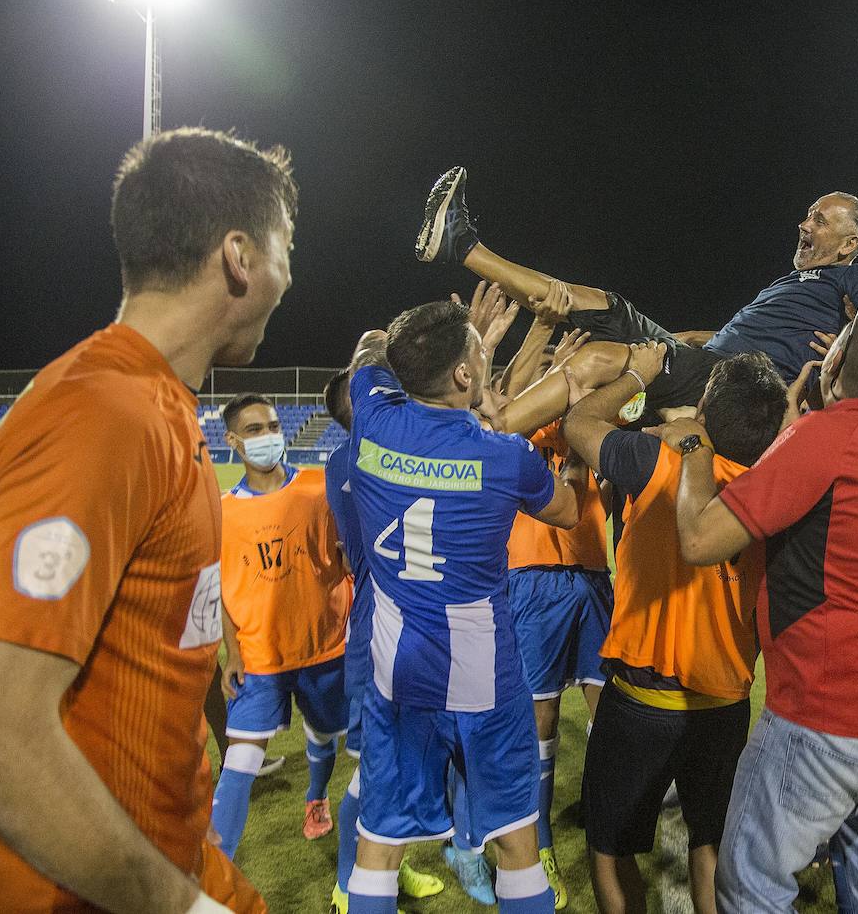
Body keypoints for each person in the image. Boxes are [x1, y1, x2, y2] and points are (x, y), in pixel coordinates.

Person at [0, 126, 293, 913]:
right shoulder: (104, 413)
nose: (288, 275)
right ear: (238, 255)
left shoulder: (152, 406)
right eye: (283, 248)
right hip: (64, 888)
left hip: (148, 851)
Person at [663, 302, 858, 913]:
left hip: (828, 716)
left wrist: (695, 449)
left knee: (751, 888)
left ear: (836, 358)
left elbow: (699, 541)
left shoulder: (824, 438)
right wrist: (798, 432)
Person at [344, 300, 586, 913]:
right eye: (479, 354)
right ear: (461, 375)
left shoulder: (370, 416)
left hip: (398, 670)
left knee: (379, 843)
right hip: (485, 675)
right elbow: (567, 510)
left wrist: (450, 342)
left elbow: (376, 349)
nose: (485, 358)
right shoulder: (504, 455)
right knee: (515, 839)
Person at [559, 344, 787, 914]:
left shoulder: (654, 462)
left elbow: (577, 423)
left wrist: (638, 374)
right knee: (709, 841)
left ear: (705, 407)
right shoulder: (775, 487)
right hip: (726, 700)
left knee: (610, 848)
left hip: (642, 698)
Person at [414, 166, 858, 432]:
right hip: (703, 359)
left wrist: (847, 349)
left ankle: (489, 436)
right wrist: (696, 336)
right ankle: (462, 245)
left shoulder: (849, 281)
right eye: (808, 215)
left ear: (849, 245)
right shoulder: (795, 285)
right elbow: (748, 336)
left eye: (820, 220)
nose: (804, 225)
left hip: (735, 384)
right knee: (603, 303)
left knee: (602, 358)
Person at [502, 298, 613, 910]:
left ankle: (609, 819)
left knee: (610, 705)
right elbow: (512, 392)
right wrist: (544, 346)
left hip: (592, 572)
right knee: (541, 718)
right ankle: (539, 838)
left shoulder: (592, 420)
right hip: (535, 576)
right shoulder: (521, 422)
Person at [209, 393, 352, 858]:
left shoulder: (319, 488)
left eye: (272, 425)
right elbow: (225, 590)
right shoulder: (221, 511)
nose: (269, 436)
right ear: (231, 440)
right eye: (254, 430)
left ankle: (316, 796)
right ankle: (215, 875)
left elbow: (347, 559)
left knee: (325, 734)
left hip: (323, 647)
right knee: (240, 758)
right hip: (259, 657)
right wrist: (232, 651)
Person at [322, 370, 445, 912]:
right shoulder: (356, 459)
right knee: (378, 767)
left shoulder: (371, 455)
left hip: (414, 624)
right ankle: (353, 882)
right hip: (382, 623)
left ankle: (390, 869)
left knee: (400, 763)